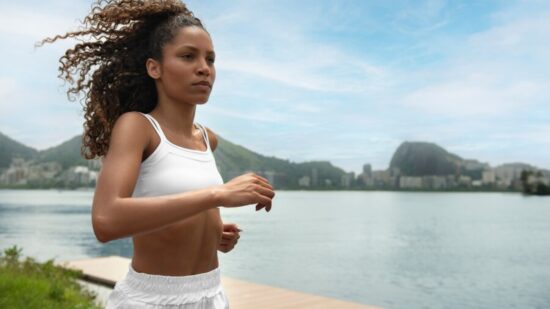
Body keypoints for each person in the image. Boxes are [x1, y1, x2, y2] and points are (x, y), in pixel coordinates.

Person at [38, 0, 276, 308]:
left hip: (211, 294)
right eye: (188, 56)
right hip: (153, 300)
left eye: (210, 59)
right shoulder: (137, 127)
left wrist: (212, 231)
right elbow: (106, 220)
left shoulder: (207, 139)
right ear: (155, 67)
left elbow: (179, 201)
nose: (204, 68)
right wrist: (217, 195)